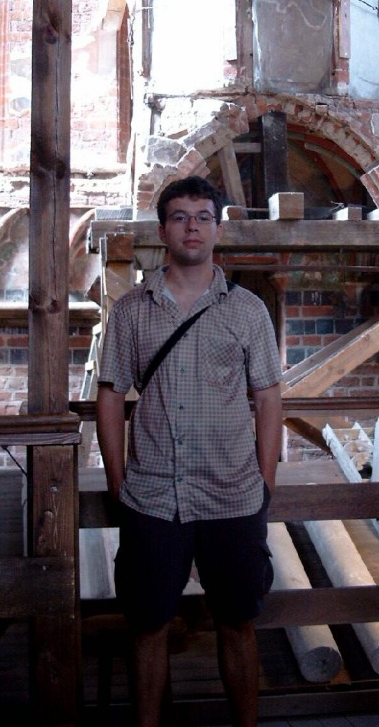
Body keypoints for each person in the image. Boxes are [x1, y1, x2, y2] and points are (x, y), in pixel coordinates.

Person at [96, 175, 283, 727]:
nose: (192, 227)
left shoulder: (247, 311)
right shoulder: (132, 310)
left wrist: (264, 483)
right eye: (180, 217)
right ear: (163, 231)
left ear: (217, 229)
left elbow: (268, 398)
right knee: (148, 624)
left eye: (203, 217)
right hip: (154, 496)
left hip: (232, 495)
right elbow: (111, 396)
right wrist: (117, 482)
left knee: (237, 621)